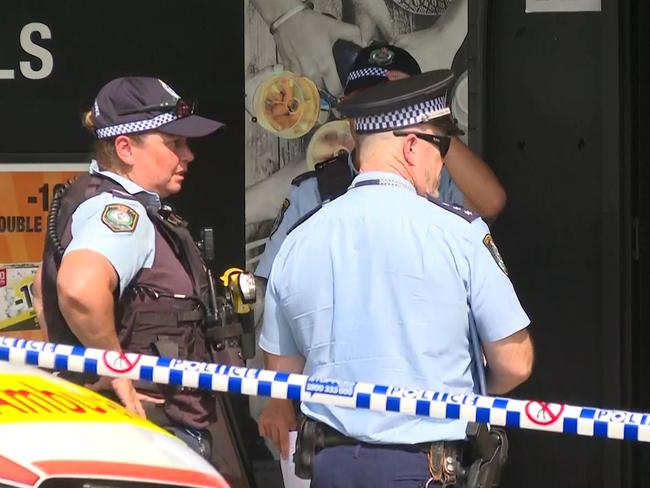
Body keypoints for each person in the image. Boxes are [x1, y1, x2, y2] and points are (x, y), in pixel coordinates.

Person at [259, 70, 533, 486]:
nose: (442, 162)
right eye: (439, 145)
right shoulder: (459, 233)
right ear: (410, 146)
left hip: (330, 469)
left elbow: (282, 369)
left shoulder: (300, 238)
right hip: (422, 468)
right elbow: (515, 361)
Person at [32, 77, 246, 471]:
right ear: (125, 148)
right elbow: (77, 289)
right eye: (174, 143)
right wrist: (118, 376)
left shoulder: (96, 200)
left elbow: (42, 292)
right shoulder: (122, 215)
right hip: (151, 432)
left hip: (133, 431)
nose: (189, 155)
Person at [255, 42, 506, 292]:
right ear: (348, 111)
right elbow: (271, 285)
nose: (379, 115)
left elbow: (491, 202)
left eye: (396, 104)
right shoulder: (313, 191)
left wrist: (431, 122)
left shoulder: (433, 179)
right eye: (368, 103)